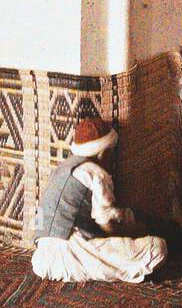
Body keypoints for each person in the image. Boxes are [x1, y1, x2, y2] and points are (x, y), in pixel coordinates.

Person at [31, 114, 167, 283]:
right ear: (105, 152)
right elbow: (106, 224)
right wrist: (134, 234)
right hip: (71, 255)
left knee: (127, 220)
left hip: (41, 259)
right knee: (156, 248)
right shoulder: (97, 174)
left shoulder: (62, 168)